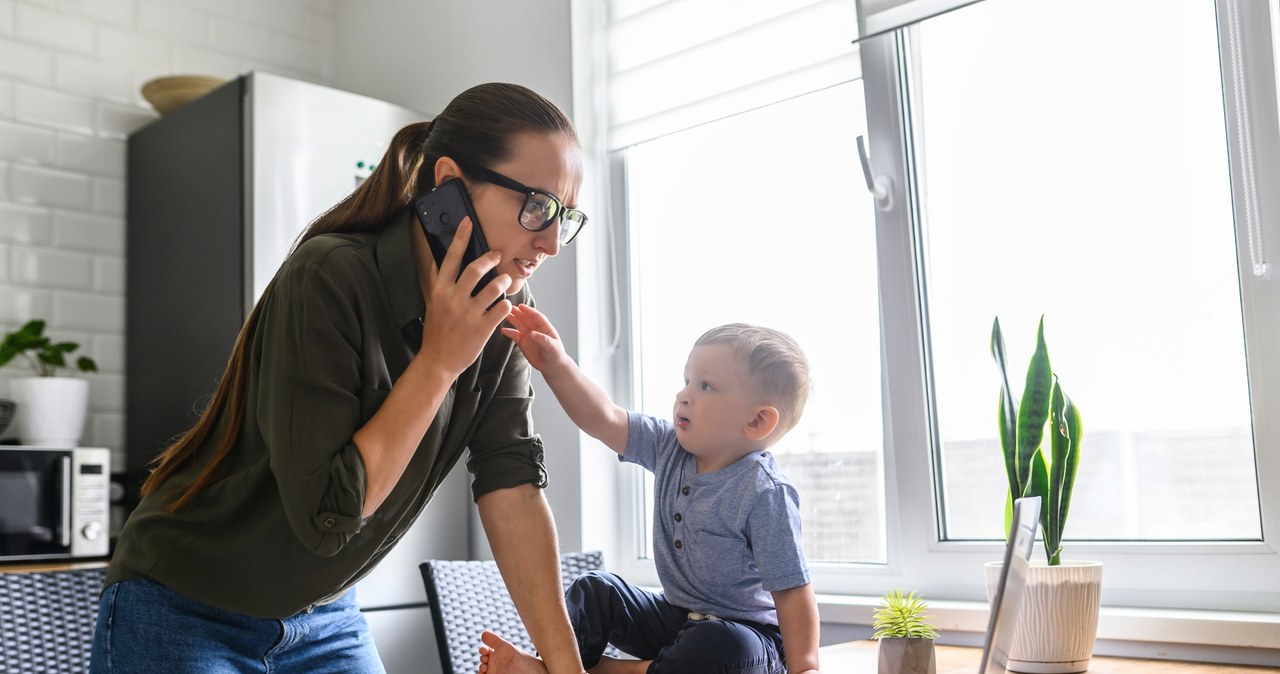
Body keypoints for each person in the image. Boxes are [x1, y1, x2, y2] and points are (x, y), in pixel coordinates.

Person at [90, 83, 594, 674]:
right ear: (451, 182)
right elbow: (328, 518)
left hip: (324, 616)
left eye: (566, 216)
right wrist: (438, 363)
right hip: (184, 605)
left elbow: (510, 479)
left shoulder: (501, 303)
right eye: (537, 206)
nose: (552, 242)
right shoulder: (329, 277)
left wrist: (566, 667)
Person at [482, 307, 822, 674]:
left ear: (757, 421)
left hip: (746, 640)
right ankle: (555, 666)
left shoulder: (765, 492)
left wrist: (805, 667)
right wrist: (556, 364)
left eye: (705, 386)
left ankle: (609, 671)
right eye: (687, 380)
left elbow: (792, 591)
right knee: (594, 591)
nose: (684, 395)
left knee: (719, 645)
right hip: (676, 620)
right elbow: (605, 418)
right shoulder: (668, 446)